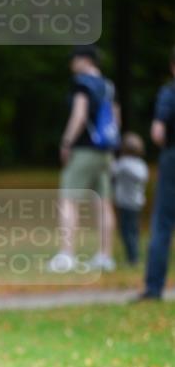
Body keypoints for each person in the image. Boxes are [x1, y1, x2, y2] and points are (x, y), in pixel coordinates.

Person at [47, 46, 119, 273]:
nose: (71, 64)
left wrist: (67, 142)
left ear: (84, 60)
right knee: (103, 202)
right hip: (105, 149)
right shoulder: (108, 85)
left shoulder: (82, 83)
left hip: (84, 149)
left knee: (69, 200)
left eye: (74, 59)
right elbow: (115, 117)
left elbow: (79, 115)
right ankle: (105, 256)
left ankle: (66, 255)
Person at [135, 47, 175, 300]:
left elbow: (158, 133)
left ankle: (153, 288)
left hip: (172, 157)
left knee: (162, 223)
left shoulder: (169, 93)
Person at [112, 132, 148, 265]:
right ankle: (133, 255)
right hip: (138, 203)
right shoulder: (141, 165)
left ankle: (132, 258)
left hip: (125, 203)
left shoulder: (123, 164)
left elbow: (112, 171)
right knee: (134, 230)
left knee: (126, 231)